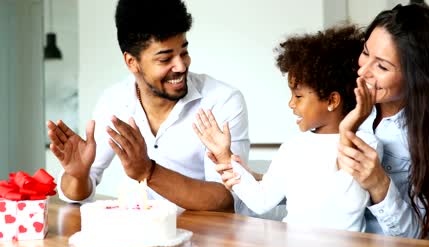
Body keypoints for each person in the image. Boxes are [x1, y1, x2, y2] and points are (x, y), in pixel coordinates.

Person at [46, 0, 249, 211]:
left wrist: (148, 171)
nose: (180, 66)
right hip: (141, 235)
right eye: (165, 59)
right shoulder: (114, 101)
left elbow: (226, 199)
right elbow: (76, 193)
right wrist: (78, 176)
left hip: (211, 239)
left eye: (184, 52)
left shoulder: (222, 100)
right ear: (132, 62)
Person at [193, 26, 382, 231]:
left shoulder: (368, 145)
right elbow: (261, 200)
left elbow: (342, 198)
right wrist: (225, 158)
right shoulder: (292, 148)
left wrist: (348, 129)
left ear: (332, 100)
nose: (291, 104)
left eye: (299, 96)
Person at [337, 3, 429, 242]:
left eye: (382, 66)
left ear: (416, 75)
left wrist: (379, 185)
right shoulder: (350, 102)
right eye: (366, 52)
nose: (363, 72)